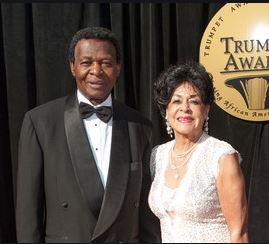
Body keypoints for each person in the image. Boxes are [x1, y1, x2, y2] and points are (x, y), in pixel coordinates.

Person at [16, 26, 161, 243]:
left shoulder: (140, 126)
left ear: (118, 68)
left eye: (106, 63)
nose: (96, 71)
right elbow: (28, 211)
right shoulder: (40, 122)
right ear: (73, 67)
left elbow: (148, 210)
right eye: (86, 63)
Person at [148, 61, 248, 243]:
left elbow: (238, 234)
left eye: (194, 101)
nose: (185, 108)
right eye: (176, 101)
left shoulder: (222, 156)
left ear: (206, 109)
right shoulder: (159, 155)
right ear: (166, 110)